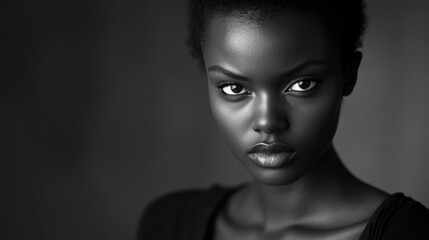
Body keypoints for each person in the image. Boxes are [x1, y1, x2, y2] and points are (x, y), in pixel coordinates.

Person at [138, 0, 429, 239]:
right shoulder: (167, 225)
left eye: (302, 85)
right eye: (234, 88)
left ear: (348, 75)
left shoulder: (409, 234)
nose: (267, 121)